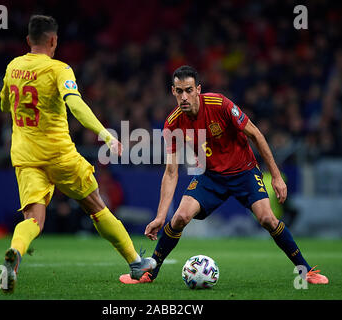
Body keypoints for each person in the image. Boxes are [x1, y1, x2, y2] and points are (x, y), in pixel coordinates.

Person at [119, 65, 328, 285]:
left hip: (244, 171)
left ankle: (306, 271)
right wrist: (161, 216)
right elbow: (171, 172)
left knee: (267, 219)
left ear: (198, 89)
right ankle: (150, 272)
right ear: (173, 91)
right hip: (210, 176)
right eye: (179, 91)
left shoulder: (220, 104)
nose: (184, 96)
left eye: (189, 90)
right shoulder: (173, 124)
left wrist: (275, 176)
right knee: (179, 217)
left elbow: (255, 134)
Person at [0, 15, 155, 293]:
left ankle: (15, 252)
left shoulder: (13, 66)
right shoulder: (59, 69)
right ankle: (135, 262)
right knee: (96, 206)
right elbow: (76, 105)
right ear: (53, 40)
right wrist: (106, 134)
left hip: (24, 155)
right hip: (59, 154)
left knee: (33, 218)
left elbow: (3, 104)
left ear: (27, 41)